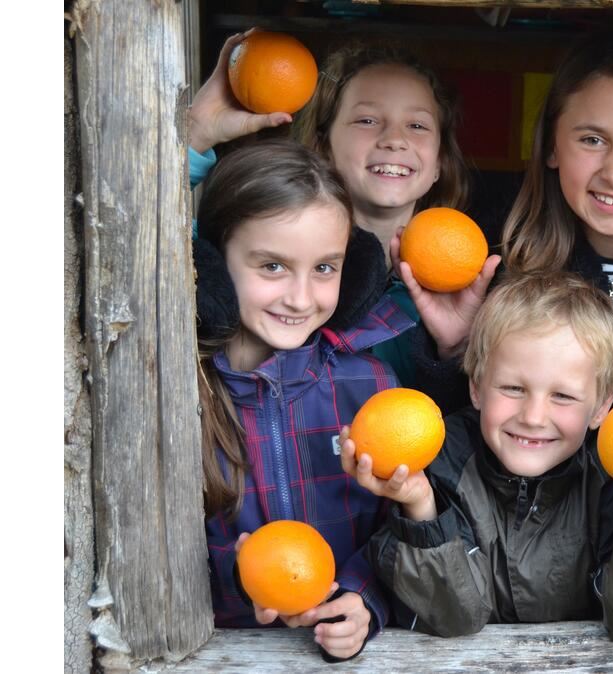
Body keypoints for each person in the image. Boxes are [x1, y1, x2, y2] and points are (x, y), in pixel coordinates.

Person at [339, 272, 613, 650]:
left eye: (563, 396)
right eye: (513, 388)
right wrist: (420, 504)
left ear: (602, 407)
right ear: (476, 386)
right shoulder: (441, 462)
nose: (533, 416)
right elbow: (453, 616)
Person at [402, 29, 613, 404]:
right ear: (552, 144)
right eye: (592, 140)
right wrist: (456, 350)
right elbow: (457, 436)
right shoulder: (490, 259)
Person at [188, 30, 498, 398]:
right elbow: (152, 246)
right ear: (322, 146)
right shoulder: (258, 251)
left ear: (439, 164)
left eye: (416, 125)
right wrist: (194, 135)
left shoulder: (466, 287)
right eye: (367, 120)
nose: (394, 139)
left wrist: (454, 350)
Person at [194, 139, 413, 661]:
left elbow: (401, 531)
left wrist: (364, 599)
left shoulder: (375, 388)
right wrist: (240, 575)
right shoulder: (183, 394)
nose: (300, 297)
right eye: (272, 266)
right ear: (214, 265)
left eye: (324, 269)